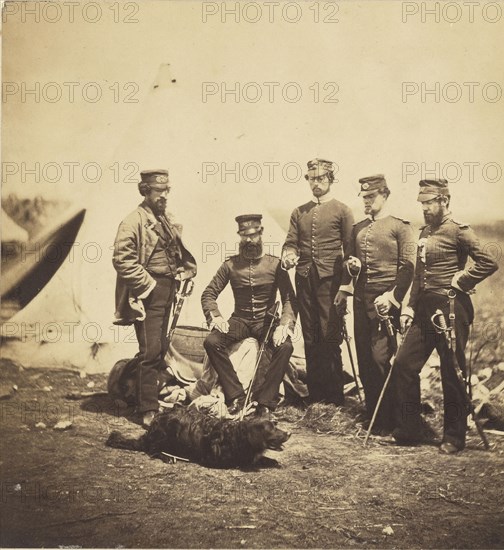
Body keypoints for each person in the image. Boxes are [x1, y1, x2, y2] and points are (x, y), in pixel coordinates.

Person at [392, 179, 498, 453]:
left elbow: (488, 262)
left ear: (445, 201)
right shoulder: (425, 232)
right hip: (424, 311)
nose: (425, 209)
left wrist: (461, 280)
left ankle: (454, 436)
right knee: (404, 363)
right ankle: (410, 429)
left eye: (430, 203)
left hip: (451, 309)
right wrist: (409, 307)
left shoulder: (459, 232)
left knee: (452, 371)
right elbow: (418, 275)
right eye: (422, 204)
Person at [113, 169, 196, 428]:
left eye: (167, 190)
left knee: (160, 347)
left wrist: (183, 271)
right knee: (149, 351)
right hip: (148, 293)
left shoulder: (164, 219)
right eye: (159, 191)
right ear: (145, 190)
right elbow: (121, 260)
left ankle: (145, 397)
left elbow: (175, 252)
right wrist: (147, 286)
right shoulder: (132, 221)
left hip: (168, 289)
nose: (164, 196)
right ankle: (147, 409)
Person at [334, 175, 415, 433]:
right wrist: (351, 271)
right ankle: (375, 416)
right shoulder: (358, 228)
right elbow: (348, 261)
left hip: (386, 301)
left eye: (371, 197)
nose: (367, 201)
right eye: (364, 197)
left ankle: (393, 416)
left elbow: (408, 268)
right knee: (364, 359)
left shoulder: (400, 227)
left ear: (385, 195)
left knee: (380, 358)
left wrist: (392, 298)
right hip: (361, 300)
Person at [202, 214, 297, 418]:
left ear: (261, 233)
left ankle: (265, 403)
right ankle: (235, 395)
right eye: (244, 235)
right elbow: (209, 293)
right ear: (239, 236)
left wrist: (284, 324)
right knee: (212, 342)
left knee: (286, 346)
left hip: (267, 321)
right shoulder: (230, 265)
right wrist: (215, 317)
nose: (249, 240)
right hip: (240, 320)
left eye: (253, 235)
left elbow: (289, 297)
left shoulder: (276, 264)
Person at [282, 158, 354, 405]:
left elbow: (350, 249)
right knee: (311, 336)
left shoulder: (342, 210)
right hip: (304, 279)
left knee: (330, 334)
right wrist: (289, 254)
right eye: (312, 178)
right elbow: (290, 242)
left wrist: (345, 286)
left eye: (321, 178)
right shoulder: (298, 212)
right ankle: (316, 397)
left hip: (330, 282)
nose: (316, 183)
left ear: (330, 179)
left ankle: (334, 398)